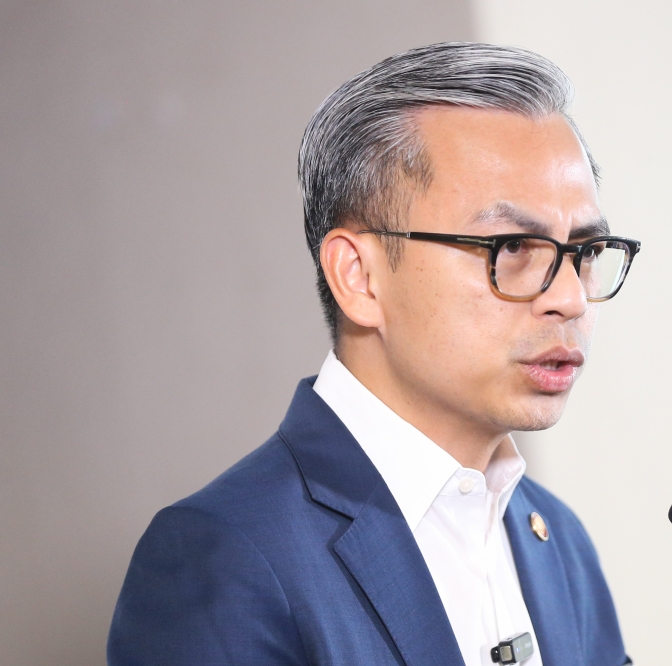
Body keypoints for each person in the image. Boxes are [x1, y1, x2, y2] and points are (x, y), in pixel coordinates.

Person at [107, 42, 640, 666]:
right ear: (359, 276)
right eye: (513, 246)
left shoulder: (558, 541)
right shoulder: (226, 554)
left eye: (585, 251)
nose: (571, 298)